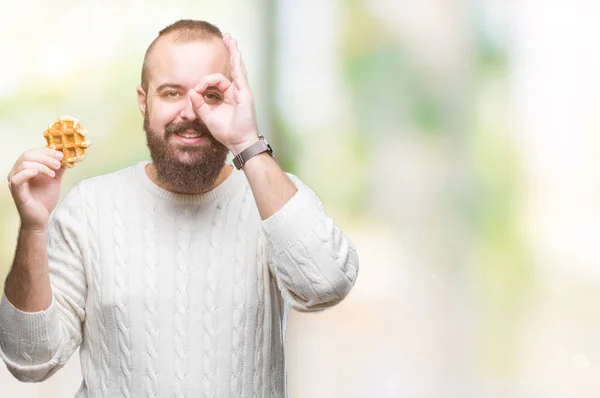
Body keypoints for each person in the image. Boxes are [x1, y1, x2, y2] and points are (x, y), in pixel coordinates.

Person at [0, 19, 358, 398]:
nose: (191, 112)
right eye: (171, 93)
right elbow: (30, 359)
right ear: (144, 101)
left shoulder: (271, 198)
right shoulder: (88, 208)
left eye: (211, 94)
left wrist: (246, 142)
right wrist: (33, 230)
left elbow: (326, 286)